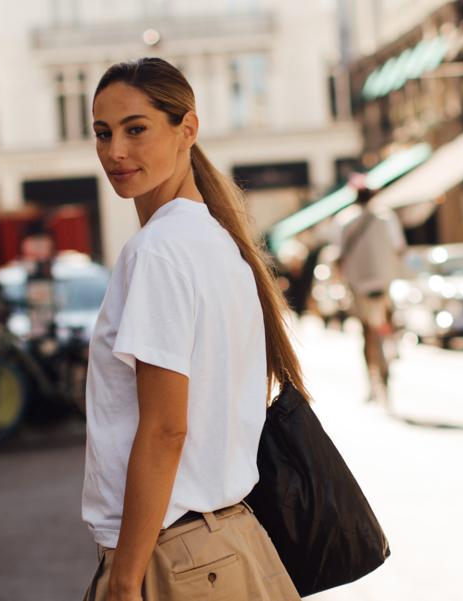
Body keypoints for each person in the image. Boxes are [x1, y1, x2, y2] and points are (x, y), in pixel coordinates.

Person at [82, 57, 306, 601]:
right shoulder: (218, 243)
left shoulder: (158, 252)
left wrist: (126, 580)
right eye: (103, 133)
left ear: (187, 129)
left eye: (136, 129)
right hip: (228, 540)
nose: (115, 151)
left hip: (173, 556)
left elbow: (165, 429)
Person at [337, 181, 406, 404]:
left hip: (359, 284)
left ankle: (371, 381)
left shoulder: (344, 220)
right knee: (387, 320)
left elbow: (339, 255)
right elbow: (399, 248)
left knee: (366, 333)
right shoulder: (387, 218)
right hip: (383, 282)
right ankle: (392, 347)